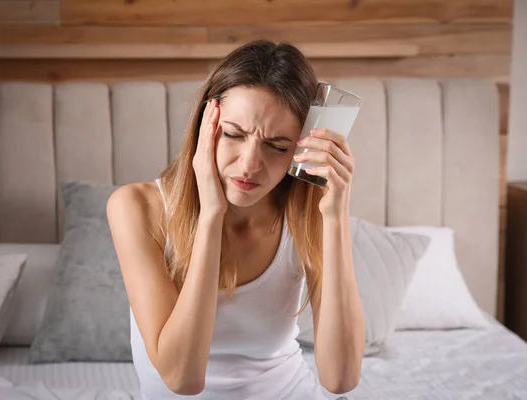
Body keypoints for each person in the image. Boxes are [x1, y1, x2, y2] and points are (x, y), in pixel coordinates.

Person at [107, 39, 365, 400]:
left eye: (277, 146)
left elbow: (341, 379)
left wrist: (336, 216)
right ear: (204, 125)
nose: (249, 164)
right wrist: (211, 215)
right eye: (233, 134)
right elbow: (183, 378)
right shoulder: (136, 207)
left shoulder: (309, 214)